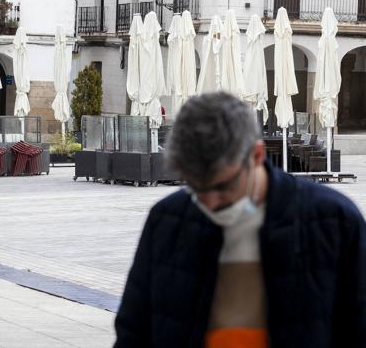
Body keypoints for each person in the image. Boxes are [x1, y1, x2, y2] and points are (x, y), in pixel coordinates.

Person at [114, 93, 366, 348]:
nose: (210, 201)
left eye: (223, 186)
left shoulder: (333, 221)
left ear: (256, 155)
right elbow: (133, 332)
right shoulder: (167, 220)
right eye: (195, 187)